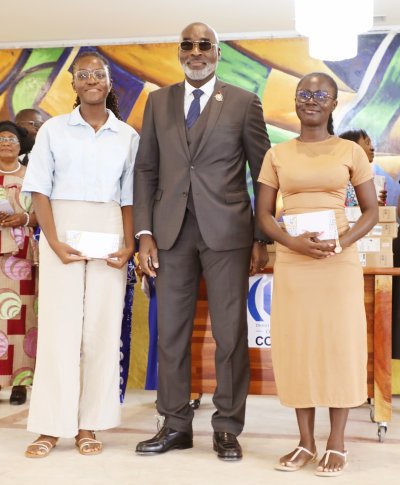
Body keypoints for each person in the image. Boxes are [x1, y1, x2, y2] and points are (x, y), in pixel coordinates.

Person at [134, 21, 270, 461]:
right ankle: (175, 424)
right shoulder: (158, 102)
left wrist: (260, 236)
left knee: (230, 334)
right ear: (179, 52)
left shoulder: (244, 102)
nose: (195, 52)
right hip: (170, 233)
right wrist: (144, 233)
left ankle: (227, 427)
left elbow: (263, 172)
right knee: (170, 332)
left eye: (204, 45)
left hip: (228, 233)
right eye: (188, 45)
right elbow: (146, 169)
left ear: (217, 52)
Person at [257, 72, 378, 476]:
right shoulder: (277, 154)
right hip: (294, 263)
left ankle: (337, 442)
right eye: (304, 94)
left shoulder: (350, 151)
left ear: (333, 104)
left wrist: (341, 242)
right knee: (299, 347)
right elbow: (263, 214)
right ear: (295, 100)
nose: (311, 100)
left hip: (337, 263)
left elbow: (370, 211)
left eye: (320, 95)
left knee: (339, 345)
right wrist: (291, 243)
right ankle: (305, 442)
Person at [22, 51, 139, 458]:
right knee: (59, 330)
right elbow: (39, 188)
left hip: (110, 229)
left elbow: (129, 197)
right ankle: (50, 427)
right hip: (62, 228)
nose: (91, 80)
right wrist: (52, 241)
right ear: (73, 83)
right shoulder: (53, 130)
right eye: (83, 74)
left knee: (102, 332)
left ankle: (89, 425)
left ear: (109, 82)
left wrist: (129, 245)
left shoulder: (127, 136)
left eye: (98, 74)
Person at [0, 121, 38, 405]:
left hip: (22, 256)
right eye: (1, 138)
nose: (6, 143)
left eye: (11, 139)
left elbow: (43, 212)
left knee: (23, 318)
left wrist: (24, 218)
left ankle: (20, 383)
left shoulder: (32, 175)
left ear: (20, 145)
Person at [339, 129, 387, 206]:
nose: (372, 148)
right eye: (367, 143)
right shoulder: (341, 180)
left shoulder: (368, 179)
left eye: (371, 143)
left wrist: (379, 204)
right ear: (353, 148)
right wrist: (370, 206)